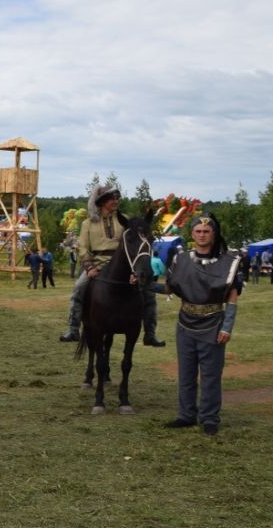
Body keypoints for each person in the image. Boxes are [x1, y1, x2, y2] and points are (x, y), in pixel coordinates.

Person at [158, 213, 242, 435]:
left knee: (210, 375)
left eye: (206, 231)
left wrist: (227, 327)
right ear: (192, 234)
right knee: (186, 373)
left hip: (213, 324)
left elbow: (232, 296)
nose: (202, 235)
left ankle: (209, 418)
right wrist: (144, 284)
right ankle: (186, 415)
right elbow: (170, 288)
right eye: (198, 231)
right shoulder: (181, 259)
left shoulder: (228, 262)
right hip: (185, 323)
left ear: (213, 234)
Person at [59, 185, 163, 346]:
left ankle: (150, 333)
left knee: (148, 292)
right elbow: (83, 247)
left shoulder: (124, 220)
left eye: (117, 198)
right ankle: (73, 328)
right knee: (78, 288)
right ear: (101, 202)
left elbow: (134, 242)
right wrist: (89, 267)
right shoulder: (87, 223)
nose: (116, 201)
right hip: (97, 264)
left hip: (122, 265)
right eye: (112, 198)